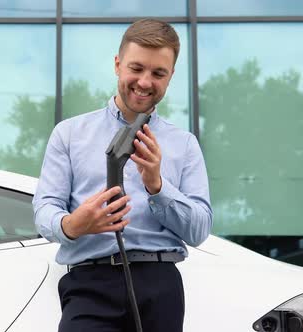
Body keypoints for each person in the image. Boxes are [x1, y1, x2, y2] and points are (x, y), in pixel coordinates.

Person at [32, 19, 213, 332]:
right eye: (136, 68)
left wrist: (157, 185)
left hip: (160, 285)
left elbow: (198, 230)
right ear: (118, 65)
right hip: (90, 283)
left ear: (170, 77)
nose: (144, 82)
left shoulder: (184, 144)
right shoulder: (70, 134)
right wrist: (74, 225)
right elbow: (45, 209)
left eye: (158, 73)